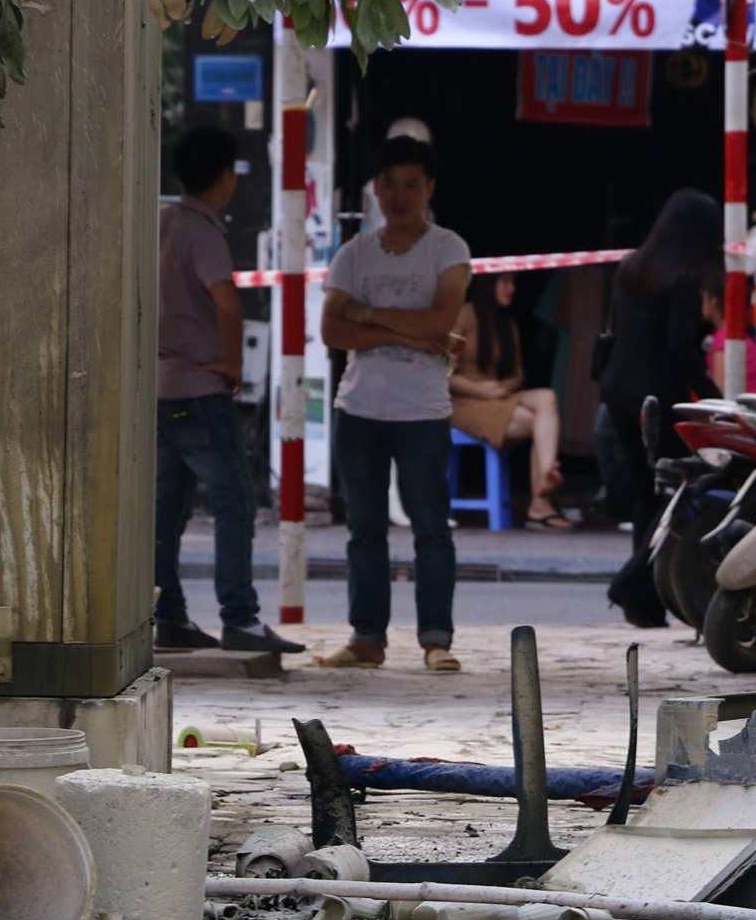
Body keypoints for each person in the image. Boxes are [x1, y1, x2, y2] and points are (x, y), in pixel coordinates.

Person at [318, 136, 472, 672]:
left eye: (412, 184)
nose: (399, 195)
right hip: (358, 409)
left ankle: (436, 639)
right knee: (364, 530)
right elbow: (332, 330)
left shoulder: (447, 249)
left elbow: (440, 321)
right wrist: (408, 336)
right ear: (375, 190)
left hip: (422, 412)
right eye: (389, 184)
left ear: (429, 189)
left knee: (431, 526)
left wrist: (369, 314)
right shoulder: (353, 253)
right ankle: (367, 639)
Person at [153, 126, 304, 656]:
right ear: (225, 178)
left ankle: (167, 614)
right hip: (201, 387)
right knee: (234, 502)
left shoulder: (161, 222)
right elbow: (227, 302)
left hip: (161, 387)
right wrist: (234, 363)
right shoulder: (203, 232)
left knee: (166, 509)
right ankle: (240, 617)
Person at [599, 190, 724, 627]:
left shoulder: (631, 267)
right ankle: (633, 582)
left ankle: (644, 603)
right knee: (674, 494)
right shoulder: (685, 279)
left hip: (618, 392)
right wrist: (711, 396)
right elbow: (680, 347)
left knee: (643, 493)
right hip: (657, 397)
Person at [450, 272, 574, 531]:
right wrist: (481, 390)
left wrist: (502, 387)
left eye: (513, 283)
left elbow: (517, 376)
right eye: (505, 282)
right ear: (487, 285)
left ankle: (547, 474)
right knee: (536, 424)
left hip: (499, 396)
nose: (511, 288)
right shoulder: (464, 316)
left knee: (547, 398)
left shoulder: (506, 322)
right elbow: (441, 372)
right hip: (463, 403)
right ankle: (541, 503)